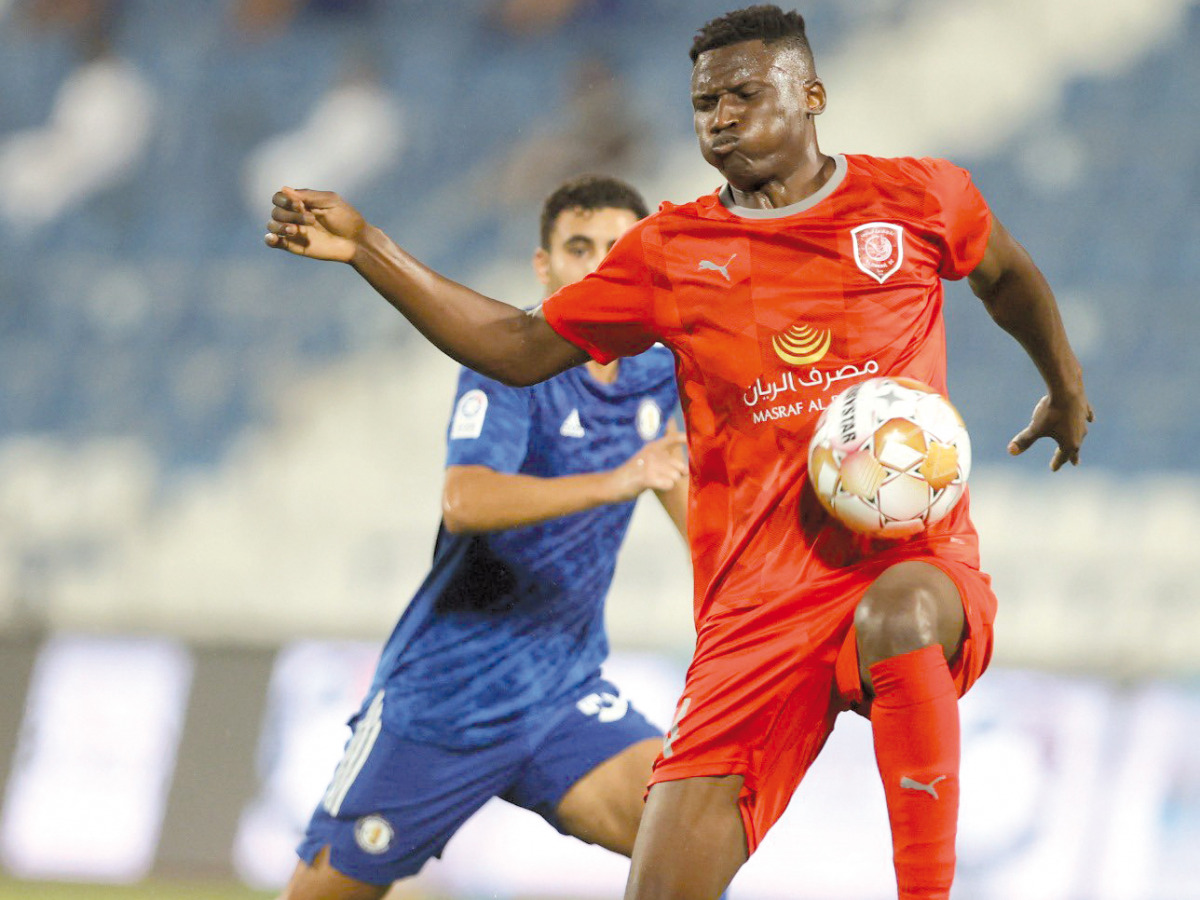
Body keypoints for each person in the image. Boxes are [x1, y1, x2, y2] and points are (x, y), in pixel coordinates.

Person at [264, 6, 1094, 898]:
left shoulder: (919, 198)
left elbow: (1004, 275)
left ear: (812, 94)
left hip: (912, 564)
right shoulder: (670, 253)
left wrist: (1065, 386)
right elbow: (514, 346)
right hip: (753, 622)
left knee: (896, 617)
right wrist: (370, 249)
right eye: (705, 103)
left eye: (744, 93)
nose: (721, 116)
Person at [278, 175, 689, 899]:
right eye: (579, 247)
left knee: (688, 839)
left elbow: (690, 501)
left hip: (563, 694)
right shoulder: (508, 367)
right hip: (442, 701)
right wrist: (621, 479)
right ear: (544, 266)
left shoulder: (659, 374)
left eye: (617, 249)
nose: (598, 265)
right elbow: (466, 500)